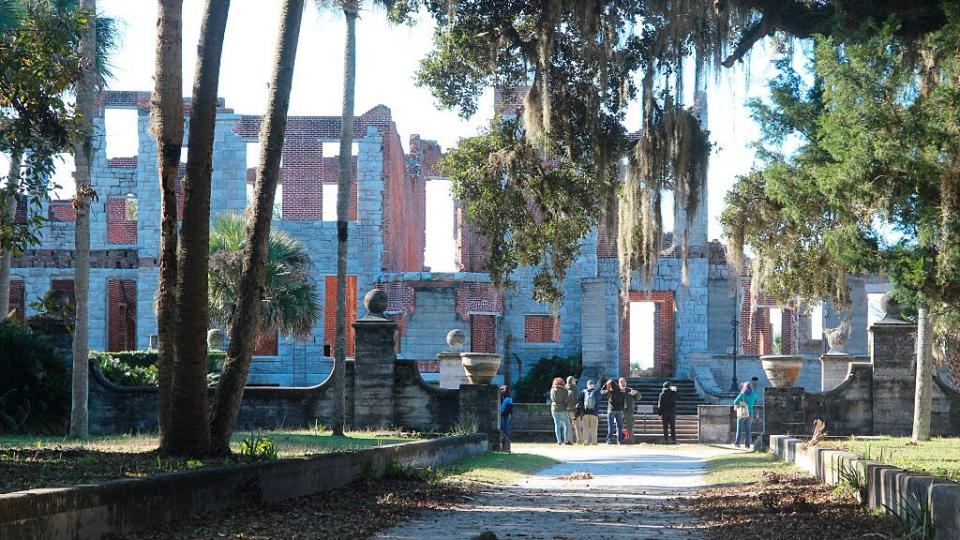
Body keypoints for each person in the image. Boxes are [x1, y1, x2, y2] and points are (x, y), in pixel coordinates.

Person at [733, 381, 757, 448]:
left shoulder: (742, 394)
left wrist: (741, 393)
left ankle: (737, 443)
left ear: (745, 387)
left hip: (742, 413)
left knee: (739, 429)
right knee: (748, 430)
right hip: (750, 413)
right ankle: (748, 445)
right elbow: (755, 400)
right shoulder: (753, 394)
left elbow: (735, 401)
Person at [601, 379, 624, 444]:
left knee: (610, 426)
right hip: (619, 410)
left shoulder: (609, 391)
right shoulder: (620, 391)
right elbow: (623, 401)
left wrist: (605, 385)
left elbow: (601, 392)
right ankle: (619, 441)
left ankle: (609, 440)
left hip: (611, 410)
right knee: (619, 426)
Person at [549, 377, 572, 445]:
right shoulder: (564, 391)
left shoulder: (552, 390)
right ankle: (566, 441)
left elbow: (551, 398)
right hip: (563, 409)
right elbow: (567, 400)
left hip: (554, 409)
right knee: (567, 425)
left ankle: (559, 441)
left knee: (557, 425)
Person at [579, 380, 601, 445]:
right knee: (593, 428)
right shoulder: (596, 391)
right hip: (594, 413)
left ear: (587, 385)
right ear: (593, 385)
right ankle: (594, 442)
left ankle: (586, 442)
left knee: (586, 428)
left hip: (585, 413)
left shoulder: (583, 391)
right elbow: (599, 398)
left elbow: (580, 402)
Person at [619, 378, 639, 442]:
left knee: (629, 426)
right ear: (619, 383)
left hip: (629, 412)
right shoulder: (616, 390)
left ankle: (630, 440)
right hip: (619, 411)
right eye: (621, 382)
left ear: (626, 383)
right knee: (620, 427)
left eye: (624, 382)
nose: (623, 383)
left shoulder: (630, 390)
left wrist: (636, 393)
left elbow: (639, 397)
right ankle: (621, 440)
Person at [565, 376, 582, 445]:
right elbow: (578, 398)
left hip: (566, 410)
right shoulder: (575, 388)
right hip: (574, 410)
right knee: (577, 426)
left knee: (568, 426)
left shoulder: (564, 388)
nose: (575, 382)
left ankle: (569, 440)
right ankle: (580, 441)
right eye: (574, 380)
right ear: (572, 381)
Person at [499, 385, 513, 452]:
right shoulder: (506, 398)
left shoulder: (507, 399)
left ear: (506, 390)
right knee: (505, 430)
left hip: (506, 415)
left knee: (505, 430)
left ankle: (506, 447)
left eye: (502, 389)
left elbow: (502, 408)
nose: (501, 390)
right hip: (506, 415)